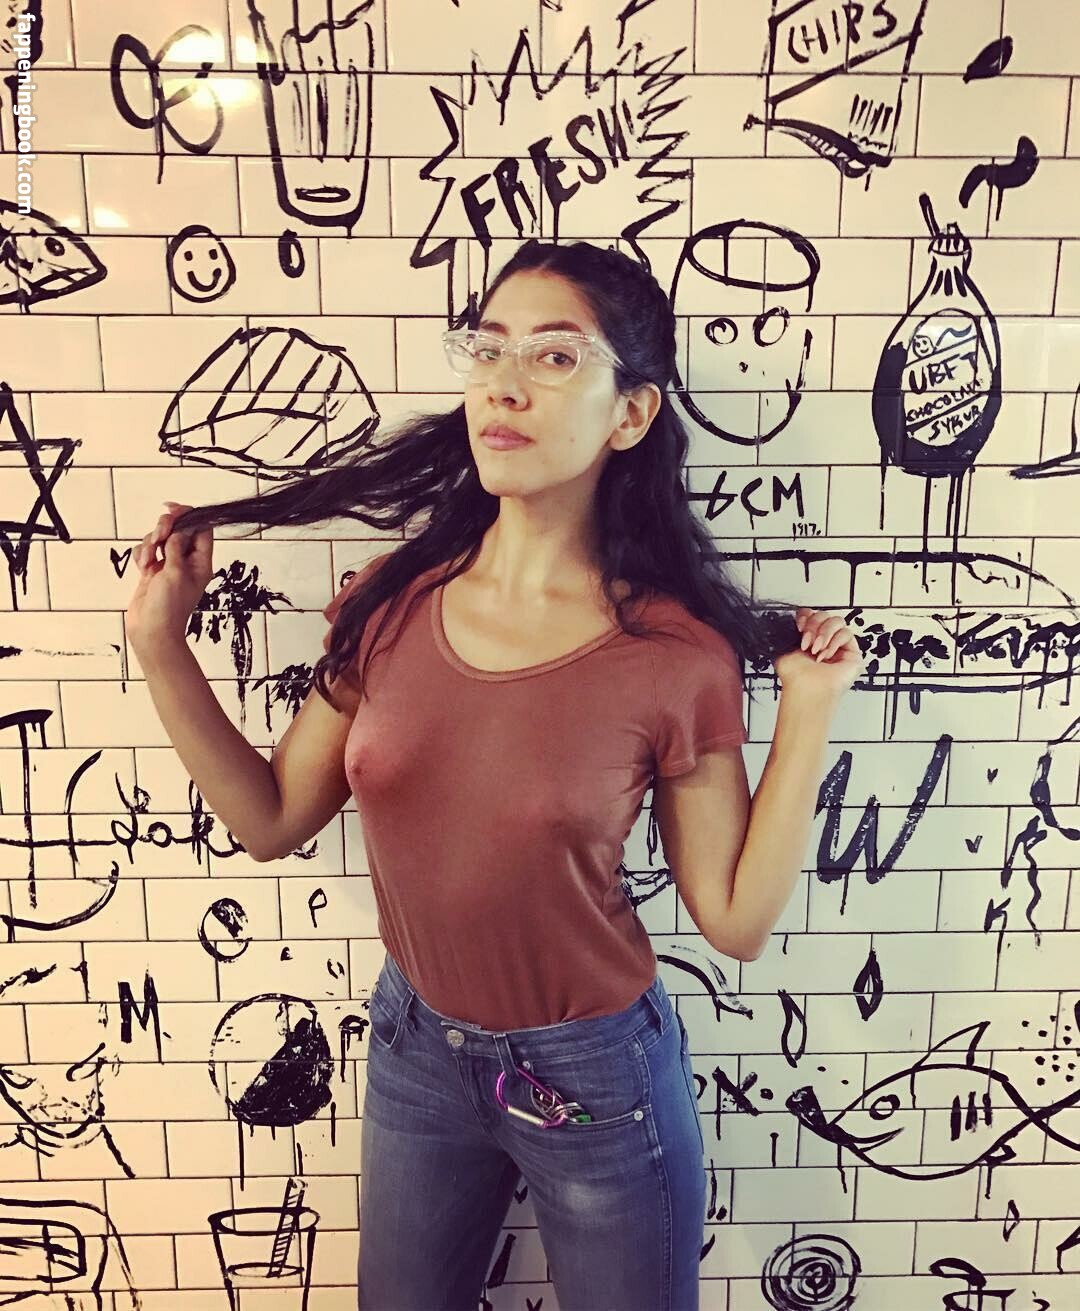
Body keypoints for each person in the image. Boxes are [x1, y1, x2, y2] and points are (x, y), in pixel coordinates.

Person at [126, 239, 863, 1311]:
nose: (504, 385)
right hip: (416, 1049)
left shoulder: (674, 654)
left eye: (557, 357)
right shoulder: (389, 602)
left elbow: (737, 920)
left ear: (631, 414)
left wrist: (810, 709)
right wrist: (160, 644)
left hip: (595, 1075)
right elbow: (272, 818)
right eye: (488, 349)